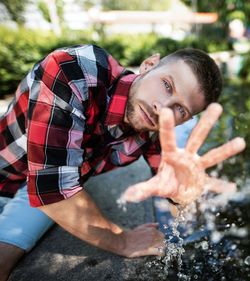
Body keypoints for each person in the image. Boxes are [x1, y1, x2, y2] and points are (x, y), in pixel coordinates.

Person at [0, 44, 245, 281]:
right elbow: (53, 190)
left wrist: (184, 195)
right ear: (149, 65)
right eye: (167, 85)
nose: (163, 108)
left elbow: (174, 190)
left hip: (32, 189)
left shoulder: (154, 130)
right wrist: (123, 241)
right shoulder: (73, 69)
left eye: (180, 109)